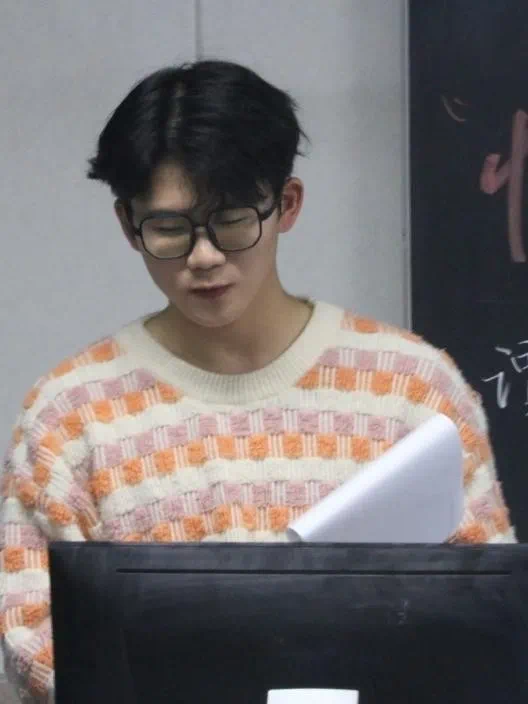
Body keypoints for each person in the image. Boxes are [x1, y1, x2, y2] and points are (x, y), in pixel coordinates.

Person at [0, 59, 515, 702]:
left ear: (286, 204)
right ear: (128, 226)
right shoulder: (70, 417)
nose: (204, 256)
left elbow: (490, 619)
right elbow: (32, 640)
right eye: (169, 228)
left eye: (232, 219)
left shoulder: (413, 391)